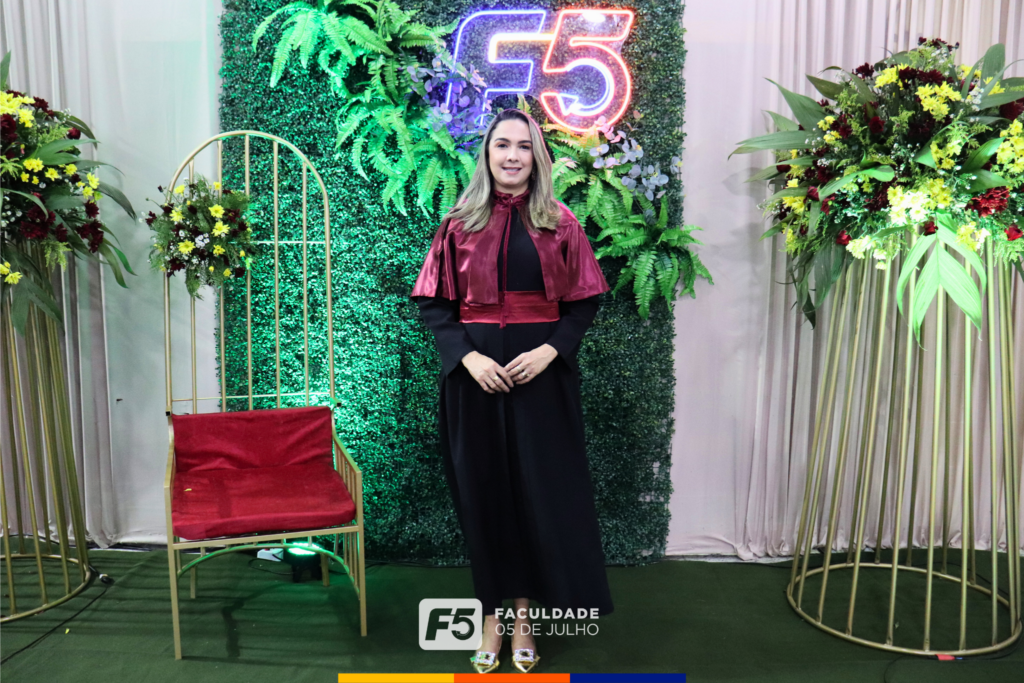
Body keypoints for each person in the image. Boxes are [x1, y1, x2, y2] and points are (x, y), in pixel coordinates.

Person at [411, 108, 613, 674]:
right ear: (487, 153)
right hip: (473, 383)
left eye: (524, 146)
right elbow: (434, 305)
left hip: (540, 385)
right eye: (502, 144)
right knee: (485, 499)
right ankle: (491, 617)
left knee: (538, 498)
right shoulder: (457, 224)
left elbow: (584, 302)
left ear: (537, 157)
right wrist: (469, 358)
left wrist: (550, 352)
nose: (513, 155)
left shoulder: (561, 222)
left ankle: (525, 618)